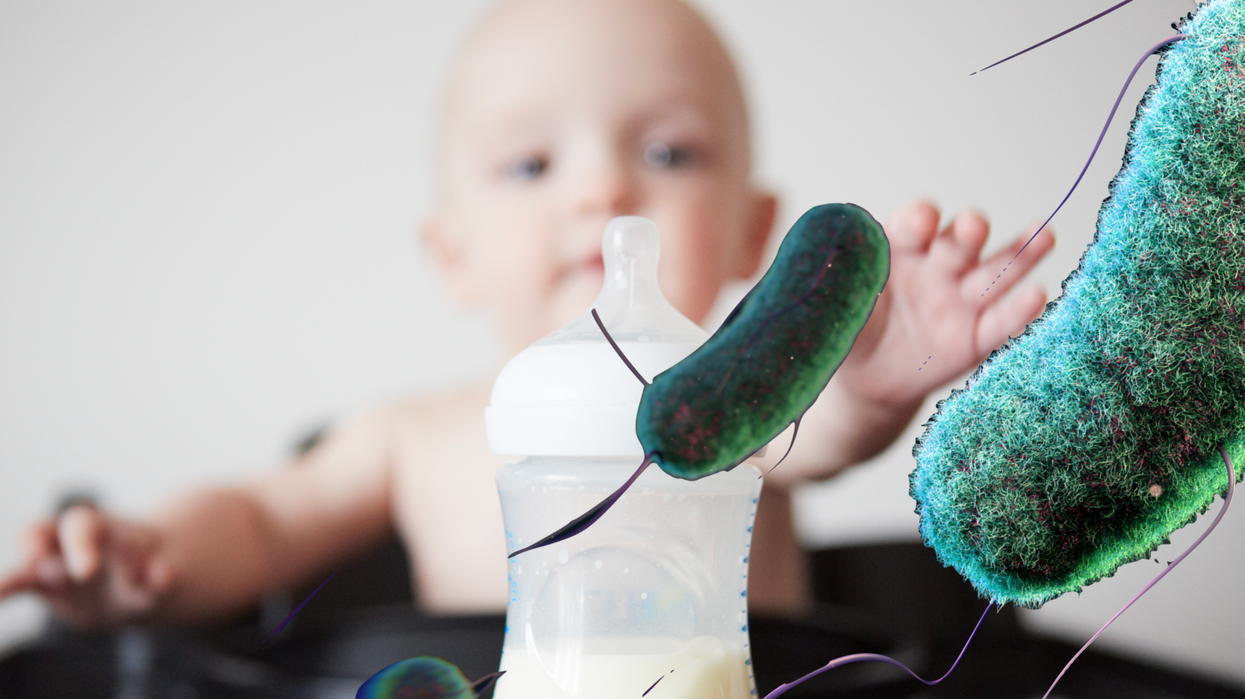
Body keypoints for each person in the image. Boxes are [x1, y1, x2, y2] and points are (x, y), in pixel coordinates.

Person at [0, 0, 1054, 628]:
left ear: (752, 235)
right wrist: (151, 558)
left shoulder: (735, 402)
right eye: (530, 164)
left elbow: (819, 433)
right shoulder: (413, 440)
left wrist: (862, 376)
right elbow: (264, 521)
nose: (600, 191)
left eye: (667, 152)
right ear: (453, 255)